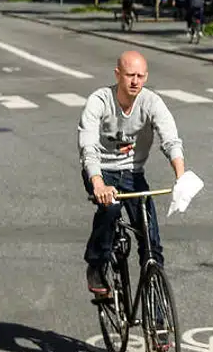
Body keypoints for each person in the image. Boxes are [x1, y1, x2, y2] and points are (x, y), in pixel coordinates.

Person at [78, 51, 186, 303]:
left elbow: (170, 139)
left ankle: (158, 321)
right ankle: (97, 263)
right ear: (118, 75)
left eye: (140, 76)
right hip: (102, 170)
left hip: (133, 172)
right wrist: (98, 183)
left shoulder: (151, 102)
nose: (135, 81)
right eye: (130, 75)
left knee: (152, 245)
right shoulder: (100, 101)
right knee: (111, 208)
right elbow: (88, 148)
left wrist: (180, 176)